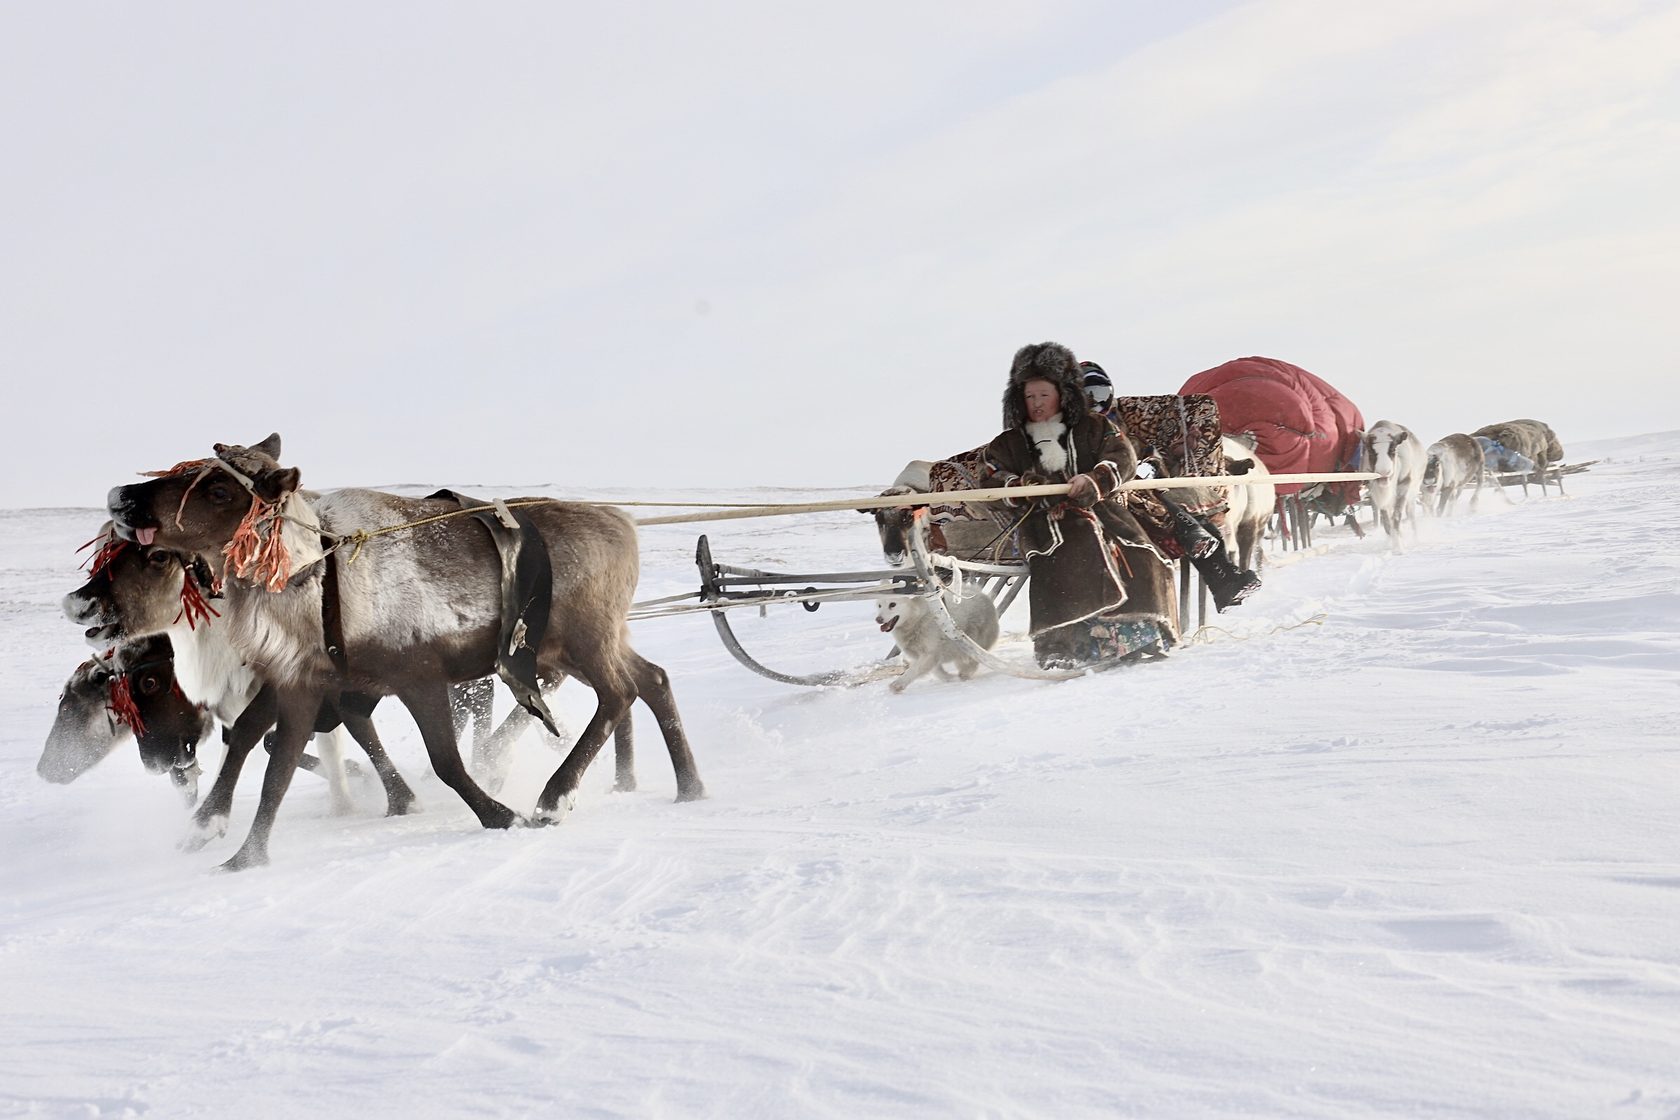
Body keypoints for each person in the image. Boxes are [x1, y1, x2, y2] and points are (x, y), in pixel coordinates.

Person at [980, 342, 1177, 668]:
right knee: (1070, 553)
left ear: (1063, 394)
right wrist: (1018, 487)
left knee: (1139, 549)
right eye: (1029, 397)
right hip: (1045, 522)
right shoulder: (1009, 443)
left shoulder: (1096, 428)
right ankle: (1063, 647)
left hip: (1102, 512)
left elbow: (1122, 457)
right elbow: (989, 476)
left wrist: (1095, 480)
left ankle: (1139, 638)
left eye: (1044, 395)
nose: (1037, 404)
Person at [1079, 362, 1261, 613]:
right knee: (1177, 507)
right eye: (1087, 396)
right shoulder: (1077, 432)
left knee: (1192, 502)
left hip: (1148, 480)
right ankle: (1221, 576)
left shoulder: (1120, 422)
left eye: (1099, 394)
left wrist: (1163, 460)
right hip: (1115, 492)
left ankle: (1224, 577)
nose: (1095, 402)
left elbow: (1147, 451)